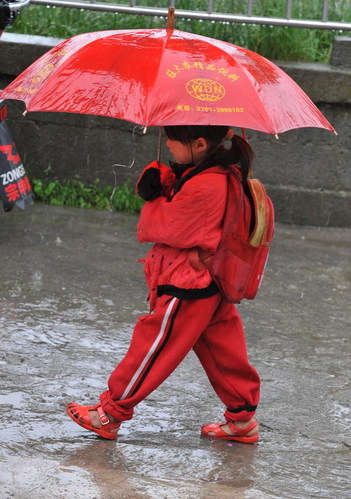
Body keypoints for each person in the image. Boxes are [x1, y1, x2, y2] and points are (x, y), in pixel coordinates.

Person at [66, 125, 260, 444]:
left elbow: (163, 226)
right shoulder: (216, 173)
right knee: (224, 349)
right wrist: (170, 181)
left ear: (199, 144)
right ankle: (242, 419)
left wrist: (155, 196)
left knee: (153, 345)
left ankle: (109, 414)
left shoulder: (206, 184)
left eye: (174, 138)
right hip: (210, 281)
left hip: (189, 282)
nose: (168, 143)